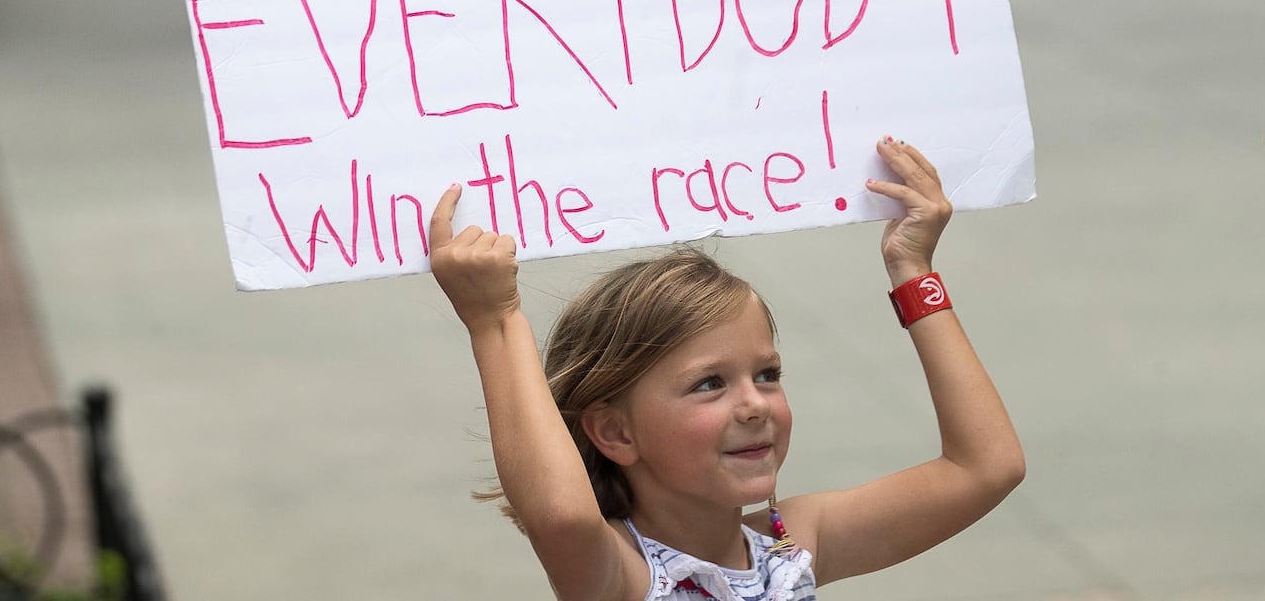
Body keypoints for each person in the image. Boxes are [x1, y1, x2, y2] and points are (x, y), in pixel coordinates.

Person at [429, 136, 1024, 599]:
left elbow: (985, 466)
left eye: (767, 374)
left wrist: (912, 268)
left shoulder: (792, 542)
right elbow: (562, 515)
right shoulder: (616, 575)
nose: (754, 405)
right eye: (709, 384)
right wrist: (495, 320)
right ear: (615, 432)